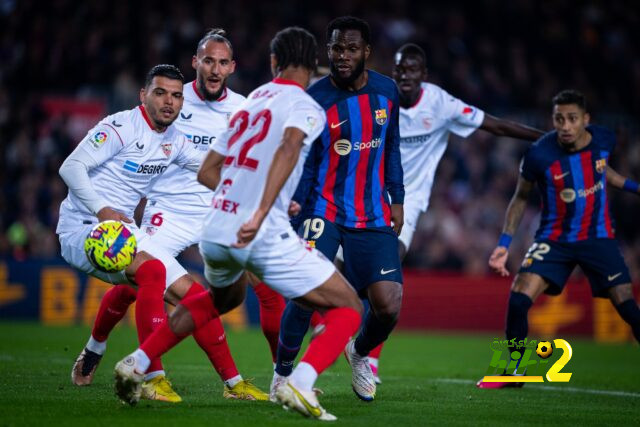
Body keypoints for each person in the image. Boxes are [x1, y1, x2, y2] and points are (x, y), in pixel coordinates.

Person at [114, 27, 363, 421]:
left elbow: (208, 172)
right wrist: (263, 208)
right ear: (314, 64)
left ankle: (138, 361)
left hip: (216, 227)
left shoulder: (251, 104)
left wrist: (247, 198)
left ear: (273, 63)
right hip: (259, 230)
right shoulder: (305, 105)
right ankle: (298, 381)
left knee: (220, 300)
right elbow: (289, 146)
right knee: (348, 307)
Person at [70, 30, 271, 401]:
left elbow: (235, 164)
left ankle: (264, 378)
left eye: (222, 62)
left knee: (252, 286)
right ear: (195, 63)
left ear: (232, 67)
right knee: (142, 281)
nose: (214, 69)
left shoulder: (243, 107)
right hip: (169, 210)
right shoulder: (171, 98)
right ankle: (108, 352)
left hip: (216, 211)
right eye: (207, 60)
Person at [363, 43, 545, 384]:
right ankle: (332, 331)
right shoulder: (379, 97)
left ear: (424, 75)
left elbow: (495, 126)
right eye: (400, 68)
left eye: (412, 69)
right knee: (349, 274)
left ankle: (368, 357)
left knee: (386, 275)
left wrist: (546, 140)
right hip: (364, 196)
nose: (404, 75)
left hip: (408, 202)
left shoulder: (440, 103)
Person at [274, 16, 403, 403]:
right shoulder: (315, 98)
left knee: (389, 305)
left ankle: (359, 353)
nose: (342, 56)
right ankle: (282, 374)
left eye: (349, 49)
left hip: (372, 213)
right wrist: (295, 212)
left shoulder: (387, 91)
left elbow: (391, 148)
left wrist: (398, 198)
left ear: (366, 52)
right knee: (305, 292)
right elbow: (305, 161)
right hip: (323, 209)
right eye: (335, 48)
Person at [477, 90, 640, 388]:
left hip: (597, 237)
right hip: (553, 239)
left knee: (627, 306)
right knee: (518, 298)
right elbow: (519, 198)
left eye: (572, 119)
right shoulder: (539, 154)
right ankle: (514, 371)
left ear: (585, 120)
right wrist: (503, 245)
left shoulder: (603, 139)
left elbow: (603, 171)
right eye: (558, 119)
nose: (564, 126)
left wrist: (633, 187)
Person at [57, 64, 201, 399]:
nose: (169, 101)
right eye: (161, 92)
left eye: (177, 95)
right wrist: (101, 210)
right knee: (151, 271)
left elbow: (214, 168)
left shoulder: (175, 141)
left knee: (195, 298)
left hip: (125, 230)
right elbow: (71, 167)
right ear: (143, 95)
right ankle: (150, 375)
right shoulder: (120, 126)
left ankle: (234, 384)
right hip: (83, 228)